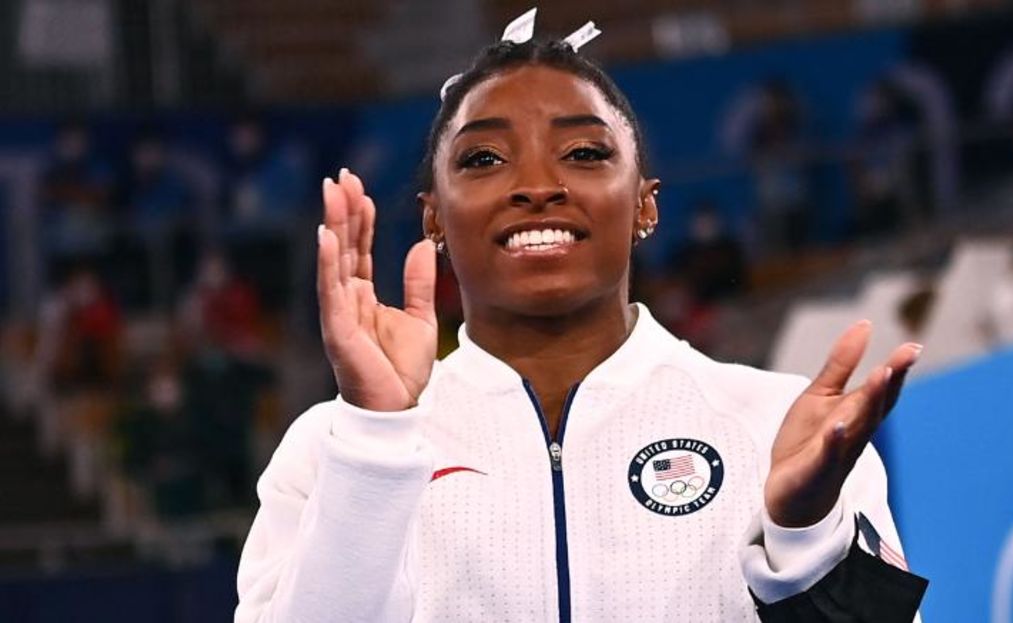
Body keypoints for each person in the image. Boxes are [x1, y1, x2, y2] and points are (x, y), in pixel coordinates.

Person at [235, 13, 927, 622]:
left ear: (646, 204)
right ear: (434, 217)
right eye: (484, 158)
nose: (537, 186)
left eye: (585, 153)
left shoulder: (777, 429)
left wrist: (807, 541)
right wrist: (378, 442)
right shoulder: (335, 447)